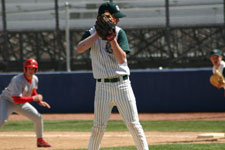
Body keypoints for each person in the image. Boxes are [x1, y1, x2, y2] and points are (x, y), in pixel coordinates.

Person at [77, 2, 149, 150]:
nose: (117, 20)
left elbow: (122, 58)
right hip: (102, 86)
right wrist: (98, 33)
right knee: (98, 127)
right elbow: (80, 48)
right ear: (102, 18)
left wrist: (112, 39)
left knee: (133, 124)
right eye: (113, 17)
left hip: (122, 85)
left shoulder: (119, 32)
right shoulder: (90, 33)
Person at [0, 58, 52, 147]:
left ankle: (40, 140)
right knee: (3, 120)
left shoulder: (35, 78)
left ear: (36, 70)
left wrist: (39, 101)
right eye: (29, 68)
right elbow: (16, 99)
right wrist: (34, 98)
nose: (31, 70)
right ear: (25, 69)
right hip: (7, 101)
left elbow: (33, 89)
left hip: (21, 103)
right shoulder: (17, 79)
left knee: (38, 117)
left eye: (33, 68)